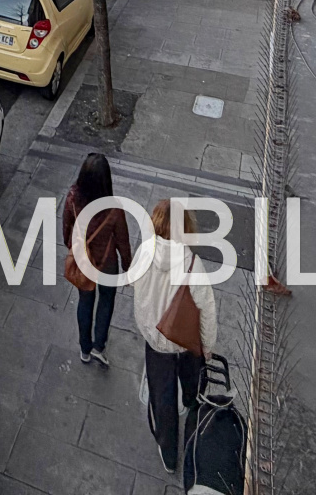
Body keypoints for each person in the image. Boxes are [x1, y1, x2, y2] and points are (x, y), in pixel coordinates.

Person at [132, 198, 218, 476]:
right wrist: (208, 348)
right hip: (185, 341)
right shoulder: (193, 264)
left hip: (155, 340)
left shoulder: (144, 252)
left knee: (162, 397)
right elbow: (207, 311)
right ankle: (191, 405)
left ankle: (169, 455)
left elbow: (134, 282)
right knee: (191, 381)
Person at [61, 153, 133, 366]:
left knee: (85, 301)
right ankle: (99, 346)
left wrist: (71, 246)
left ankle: (84, 348)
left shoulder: (73, 198)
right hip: (107, 263)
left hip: (84, 262)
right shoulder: (114, 208)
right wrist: (127, 265)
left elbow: (66, 227)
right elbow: (123, 241)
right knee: (106, 301)